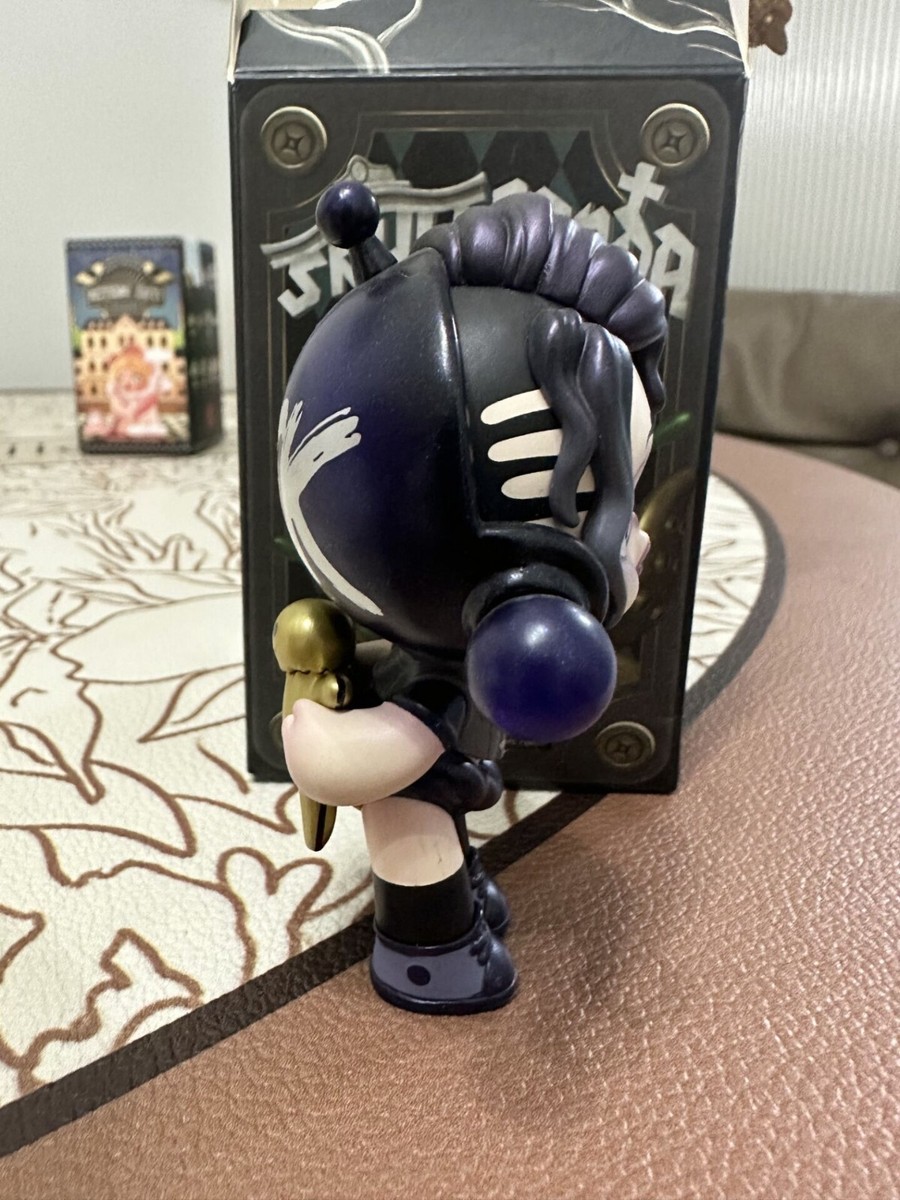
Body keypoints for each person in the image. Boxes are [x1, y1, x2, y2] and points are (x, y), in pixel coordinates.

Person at [277, 180, 666, 1013]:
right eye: (587, 495)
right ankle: (426, 948)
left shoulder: (468, 637)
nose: (627, 538)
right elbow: (360, 758)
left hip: (451, 760)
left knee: (445, 820)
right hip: (414, 793)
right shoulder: (442, 675)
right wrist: (330, 743)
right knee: (419, 840)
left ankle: (457, 892)